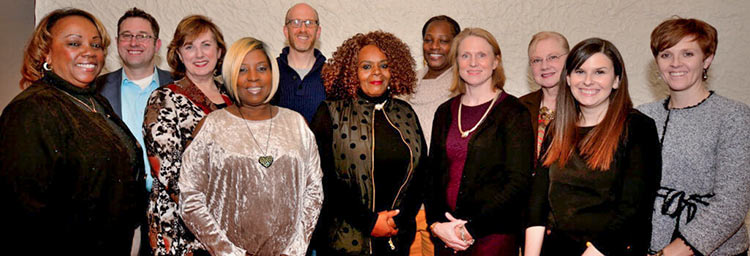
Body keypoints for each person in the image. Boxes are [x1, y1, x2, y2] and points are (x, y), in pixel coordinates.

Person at [0, 8, 146, 255]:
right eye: (74, 43)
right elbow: (22, 215)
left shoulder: (94, 103)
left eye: (96, 44)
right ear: (46, 52)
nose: (89, 51)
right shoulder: (31, 109)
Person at [178, 37, 323, 256]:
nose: (253, 77)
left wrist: (294, 251)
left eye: (261, 68)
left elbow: (313, 192)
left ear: (272, 73)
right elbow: (190, 198)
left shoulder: (296, 124)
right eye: (242, 70)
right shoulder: (212, 126)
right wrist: (230, 252)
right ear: (231, 76)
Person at [525, 38, 662, 256]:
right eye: (580, 71)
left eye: (599, 72)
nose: (588, 81)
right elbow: (538, 202)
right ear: (568, 78)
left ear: (616, 80)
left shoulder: (638, 127)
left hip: (609, 249)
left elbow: (633, 209)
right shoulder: (556, 128)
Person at [638, 17, 750, 256]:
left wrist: (669, 254)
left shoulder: (734, 116)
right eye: (666, 55)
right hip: (649, 247)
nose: (675, 63)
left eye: (688, 54)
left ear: (707, 59)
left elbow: (732, 203)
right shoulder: (643, 115)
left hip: (714, 251)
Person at [310, 30, 427, 255]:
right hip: (344, 241)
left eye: (384, 65)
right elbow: (322, 177)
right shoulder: (331, 113)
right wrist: (370, 222)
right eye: (366, 66)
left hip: (396, 238)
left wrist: (398, 221)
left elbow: (422, 175)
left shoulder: (406, 113)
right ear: (352, 72)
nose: (376, 73)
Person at [425, 27, 534, 256]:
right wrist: (436, 226)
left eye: (481, 55)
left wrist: (469, 230)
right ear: (456, 62)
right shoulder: (444, 112)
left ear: (496, 61)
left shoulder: (514, 113)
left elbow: (518, 184)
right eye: (465, 55)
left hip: (493, 239)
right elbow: (432, 175)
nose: (473, 62)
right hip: (447, 238)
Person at [143, 14, 231, 255]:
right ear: (179, 55)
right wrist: (211, 214)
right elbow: (168, 170)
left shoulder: (233, 99)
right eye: (189, 47)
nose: (199, 54)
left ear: (219, 51)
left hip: (228, 227)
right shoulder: (164, 99)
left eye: (206, 45)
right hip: (180, 227)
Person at [401, 14, 461, 256]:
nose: (435, 47)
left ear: (456, 45)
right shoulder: (405, 84)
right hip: (407, 202)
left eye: (444, 40)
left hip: (443, 205)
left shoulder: (464, 86)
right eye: (428, 40)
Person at [97, 7, 173, 192]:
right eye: (126, 35)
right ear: (117, 42)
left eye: (143, 36)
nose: (133, 42)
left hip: (170, 204)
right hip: (118, 203)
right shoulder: (96, 90)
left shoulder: (178, 87)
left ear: (157, 45)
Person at [519, 31, 569, 161]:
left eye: (553, 57)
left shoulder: (585, 106)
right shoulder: (518, 108)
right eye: (537, 60)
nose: (545, 66)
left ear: (569, 59)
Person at [272, 3, 326, 122]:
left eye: (309, 23)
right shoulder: (270, 72)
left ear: (318, 32)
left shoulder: (332, 75)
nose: (303, 29)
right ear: (286, 31)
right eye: (296, 23)